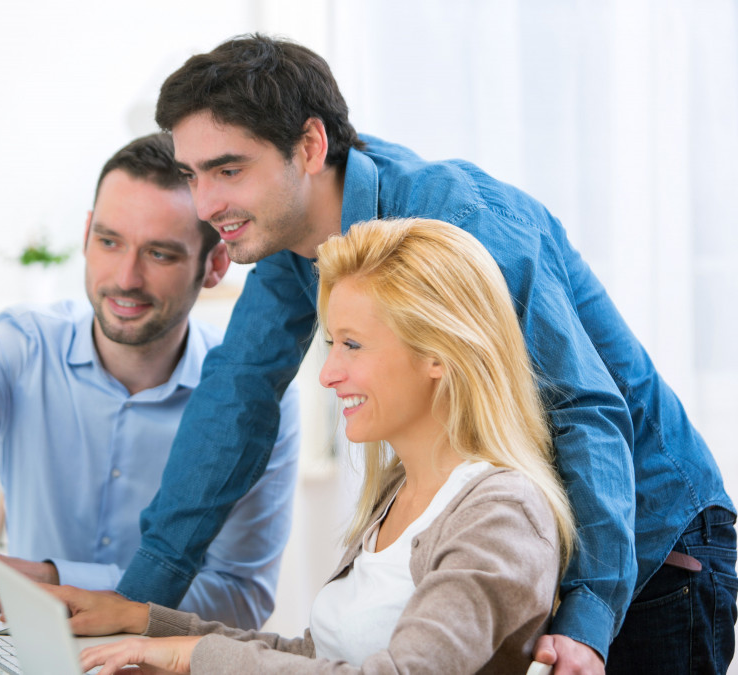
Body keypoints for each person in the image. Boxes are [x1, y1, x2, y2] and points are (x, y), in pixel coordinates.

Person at [113, 35, 737, 673]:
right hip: (540, 547)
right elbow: (234, 399)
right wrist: (132, 606)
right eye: (192, 175)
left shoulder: (462, 222)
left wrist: (588, 615)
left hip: (651, 544)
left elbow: (582, 407)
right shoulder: (297, 234)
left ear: (309, 147)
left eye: (228, 169)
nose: (205, 204)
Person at [38, 218, 574, 674]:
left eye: (353, 345)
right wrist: (146, 625)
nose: (329, 374)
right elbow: (317, 660)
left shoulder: (501, 513)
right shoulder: (399, 495)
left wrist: (196, 657)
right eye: (330, 345)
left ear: (439, 354)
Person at [0, 132, 301, 630]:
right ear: (84, 236)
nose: (126, 277)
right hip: (26, 649)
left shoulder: (257, 398)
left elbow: (241, 599)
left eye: (160, 254)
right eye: (109, 241)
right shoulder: (29, 344)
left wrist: (57, 577)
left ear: (215, 265)